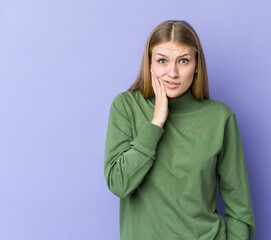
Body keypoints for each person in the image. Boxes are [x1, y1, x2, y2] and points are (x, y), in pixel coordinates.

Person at [104, 20, 255, 240]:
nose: (172, 72)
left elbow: (240, 206)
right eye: (162, 60)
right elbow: (119, 184)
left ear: (196, 66)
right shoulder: (126, 107)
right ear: (150, 64)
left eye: (183, 61)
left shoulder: (220, 117)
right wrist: (156, 123)